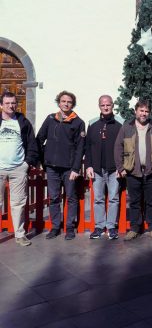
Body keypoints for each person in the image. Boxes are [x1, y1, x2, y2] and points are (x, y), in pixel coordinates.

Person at [114, 99, 152, 241]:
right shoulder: (127, 127)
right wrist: (121, 167)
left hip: (151, 171)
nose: (144, 113)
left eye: (146, 111)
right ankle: (134, 228)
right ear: (135, 111)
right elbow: (118, 147)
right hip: (133, 171)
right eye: (141, 111)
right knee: (134, 202)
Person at [37, 90, 86, 240]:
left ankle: (69, 227)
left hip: (69, 169)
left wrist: (76, 168)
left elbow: (80, 148)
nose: (66, 104)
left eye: (69, 102)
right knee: (53, 198)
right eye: (63, 101)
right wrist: (42, 160)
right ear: (59, 103)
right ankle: (55, 227)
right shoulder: (50, 119)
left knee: (71, 197)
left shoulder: (78, 122)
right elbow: (39, 139)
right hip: (52, 167)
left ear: (73, 104)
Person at [0, 92, 38, 246]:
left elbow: (32, 144)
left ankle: (20, 235)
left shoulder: (23, 122)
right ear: (1, 105)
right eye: (7, 103)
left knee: (18, 203)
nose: (11, 106)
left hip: (18, 168)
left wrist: (27, 163)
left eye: (13, 103)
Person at [85, 95, 122, 240]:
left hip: (114, 169)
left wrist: (121, 166)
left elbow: (125, 146)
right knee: (98, 199)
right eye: (103, 105)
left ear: (113, 105)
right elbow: (88, 146)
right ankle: (99, 226)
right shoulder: (93, 124)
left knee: (113, 198)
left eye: (108, 105)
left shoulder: (120, 123)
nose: (106, 107)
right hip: (97, 169)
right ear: (99, 106)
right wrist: (88, 166)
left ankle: (111, 227)